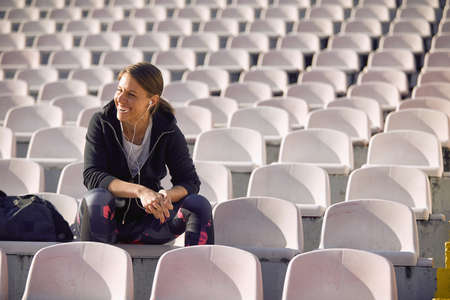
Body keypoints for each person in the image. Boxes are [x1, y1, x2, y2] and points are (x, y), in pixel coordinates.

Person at [78, 62, 214, 246]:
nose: (121, 99)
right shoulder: (102, 122)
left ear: (152, 101)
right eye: (120, 90)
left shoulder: (167, 130)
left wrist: (165, 196)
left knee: (198, 205)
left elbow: (190, 182)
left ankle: (199, 272)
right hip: (104, 222)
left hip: (148, 225)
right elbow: (92, 175)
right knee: (96, 199)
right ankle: (94, 271)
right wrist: (141, 192)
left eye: (131, 95)